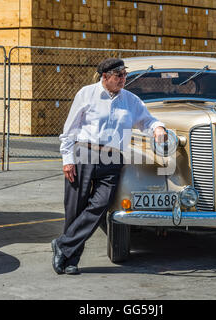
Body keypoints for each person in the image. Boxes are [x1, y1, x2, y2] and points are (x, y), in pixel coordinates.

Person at [52, 58, 167, 275]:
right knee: (75, 210)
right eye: (119, 75)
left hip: (113, 159)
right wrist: (67, 160)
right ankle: (70, 259)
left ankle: (63, 245)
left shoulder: (130, 100)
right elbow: (70, 129)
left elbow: (147, 120)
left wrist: (158, 128)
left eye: (125, 75)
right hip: (84, 154)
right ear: (105, 77)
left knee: (101, 206)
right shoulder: (86, 94)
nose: (123, 79)